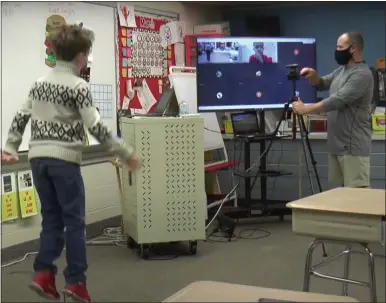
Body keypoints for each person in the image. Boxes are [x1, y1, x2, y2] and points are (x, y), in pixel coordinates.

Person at [1, 24, 140, 302]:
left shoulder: (39, 84)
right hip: (64, 160)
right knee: (75, 223)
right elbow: (96, 126)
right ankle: (76, 282)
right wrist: (125, 151)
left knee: (51, 219)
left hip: (38, 160)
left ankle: (44, 273)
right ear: (80, 57)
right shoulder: (79, 86)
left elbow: (20, 117)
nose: (87, 60)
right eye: (87, 56)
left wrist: (10, 147)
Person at [293, 32, 373, 188]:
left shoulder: (362, 74)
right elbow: (322, 83)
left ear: (353, 48)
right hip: (336, 146)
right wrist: (313, 76)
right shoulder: (342, 70)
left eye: (340, 47)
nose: (336, 51)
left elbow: (337, 101)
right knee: (338, 198)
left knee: (357, 198)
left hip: (353, 148)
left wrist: (305, 110)